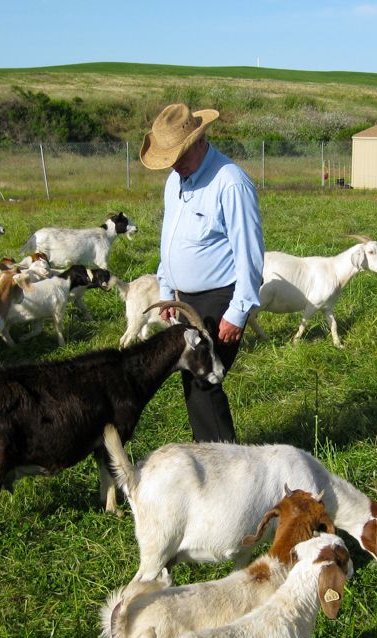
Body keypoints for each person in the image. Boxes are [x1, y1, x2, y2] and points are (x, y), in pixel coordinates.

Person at [140, 103, 264, 442]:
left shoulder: (230, 183)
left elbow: (250, 254)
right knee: (193, 379)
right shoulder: (175, 180)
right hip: (186, 299)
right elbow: (171, 239)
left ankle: (224, 468)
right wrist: (167, 289)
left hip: (219, 296)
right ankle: (213, 456)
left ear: (199, 141)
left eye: (179, 155)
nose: (175, 164)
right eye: (169, 158)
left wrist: (237, 312)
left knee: (204, 381)